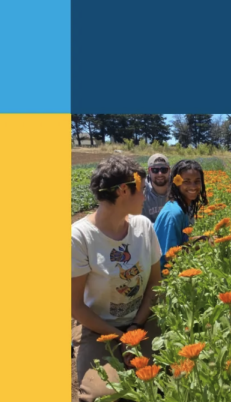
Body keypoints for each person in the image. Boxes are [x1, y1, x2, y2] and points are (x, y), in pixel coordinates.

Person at [71, 155, 162, 402]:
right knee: (103, 396)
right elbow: (75, 306)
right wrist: (120, 337)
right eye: (143, 190)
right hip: (99, 327)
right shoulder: (80, 237)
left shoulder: (144, 226)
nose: (145, 196)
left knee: (165, 378)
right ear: (124, 190)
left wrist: (134, 327)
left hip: (141, 319)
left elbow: (155, 283)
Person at [154, 160, 208, 266]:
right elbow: (169, 256)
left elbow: (180, 243)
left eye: (197, 181)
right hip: (165, 277)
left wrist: (202, 239)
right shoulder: (173, 213)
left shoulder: (182, 207)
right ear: (176, 182)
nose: (193, 186)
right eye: (186, 181)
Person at [141, 153, 171, 223]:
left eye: (164, 170)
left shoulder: (178, 191)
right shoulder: (142, 192)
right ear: (149, 171)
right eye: (155, 170)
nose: (160, 173)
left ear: (169, 170)